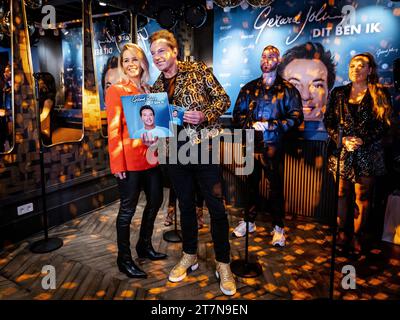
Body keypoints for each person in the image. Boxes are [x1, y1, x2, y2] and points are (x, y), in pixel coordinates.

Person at [149, 29, 236, 296]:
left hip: (204, 150)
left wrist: (205, 115)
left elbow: (223, 99)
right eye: (153, 54)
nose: (157, 57)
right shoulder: (155, 87)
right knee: (186, 207)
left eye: (161, 51)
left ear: (174, 51)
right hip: (175, 155)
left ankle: (224, 264)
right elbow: (159, 124)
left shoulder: (197, 70)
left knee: (216, 209)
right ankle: (189, 255)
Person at [105, 43, 167, 279]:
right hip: (129, 162)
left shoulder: (149, 90)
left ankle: (144, 245)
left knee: (156, 201)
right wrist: (117, 164)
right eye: (126, 60)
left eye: (135, 59)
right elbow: (113, 131)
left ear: (143, 63)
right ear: (122, 65)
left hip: (151, 158)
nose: (131, 64)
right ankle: (124, 258)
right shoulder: (116, 90)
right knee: (127, 210)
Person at [232, 45, 304, 247]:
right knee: (250, 185)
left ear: (279, 60)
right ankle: (249, 221)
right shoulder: (248, 88)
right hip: (250, 144)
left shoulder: (288, 89)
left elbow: (297, 117)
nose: (266, 60)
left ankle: (278, 227)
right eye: (263, 56)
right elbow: (237, 115)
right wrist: (251, 124)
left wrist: (271, 126)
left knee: (275, 188)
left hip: (274, 146)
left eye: (271, 56)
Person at [324, 52, 392, 256]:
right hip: (343, 153)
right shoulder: (338, 93)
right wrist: (342, 139)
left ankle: (358, 237)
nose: (356, 69)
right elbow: (328, 121)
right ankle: (342, 235)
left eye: (361, 65)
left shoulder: (379, 93)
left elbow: (384, 124)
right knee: (342, 195)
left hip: (368, 154)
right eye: (353, 65)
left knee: (363, 197)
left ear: (370, 70)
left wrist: (364, 139)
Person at [278, 42, 336, 123]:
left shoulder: (340, 133)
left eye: (317, 85)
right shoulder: (261, 129)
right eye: (294, 85)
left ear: (328, 93)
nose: (305, 96)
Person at [37, 72, 56, 145]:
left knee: (45, 147)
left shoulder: (49, 98)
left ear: (46, 84)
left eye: (40, 82)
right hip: (42, 127)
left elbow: (44, 115)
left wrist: (32, 121)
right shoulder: (42, 94)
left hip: (44, 128)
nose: (38, 84)